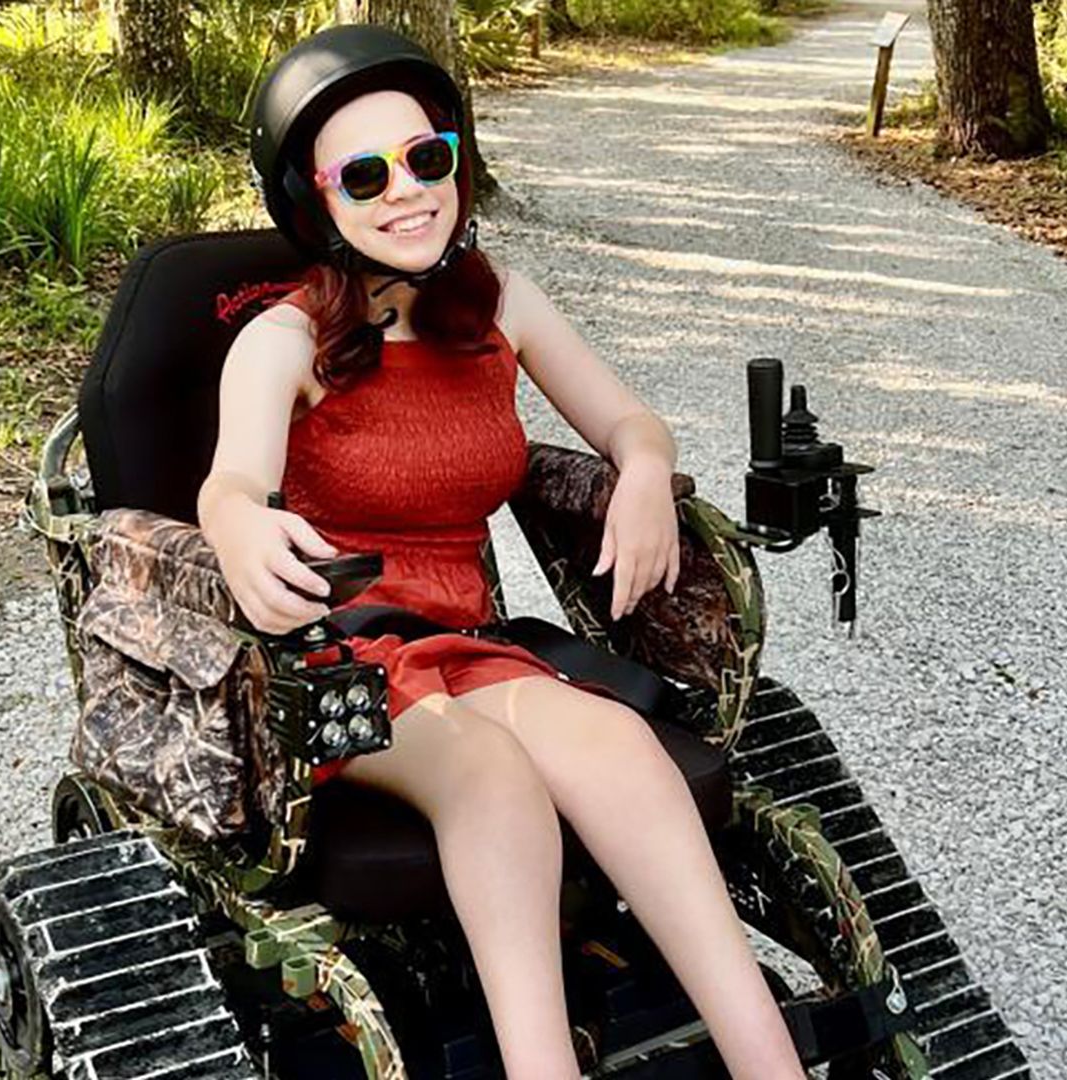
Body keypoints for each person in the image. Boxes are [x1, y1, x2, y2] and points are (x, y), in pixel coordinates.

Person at [196, 25, 809, 1080]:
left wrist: (649, 476)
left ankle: (769, 1063)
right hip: (341, 666)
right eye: (365, 174)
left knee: (615, 744)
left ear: (458, 161)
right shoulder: (284, 341)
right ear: (316, 200)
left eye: (427, 157)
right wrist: (241, 523)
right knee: (492, 778)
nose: (407, 192)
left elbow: (631, 422)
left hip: (471, 647)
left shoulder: (496, 310)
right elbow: (231, 481)